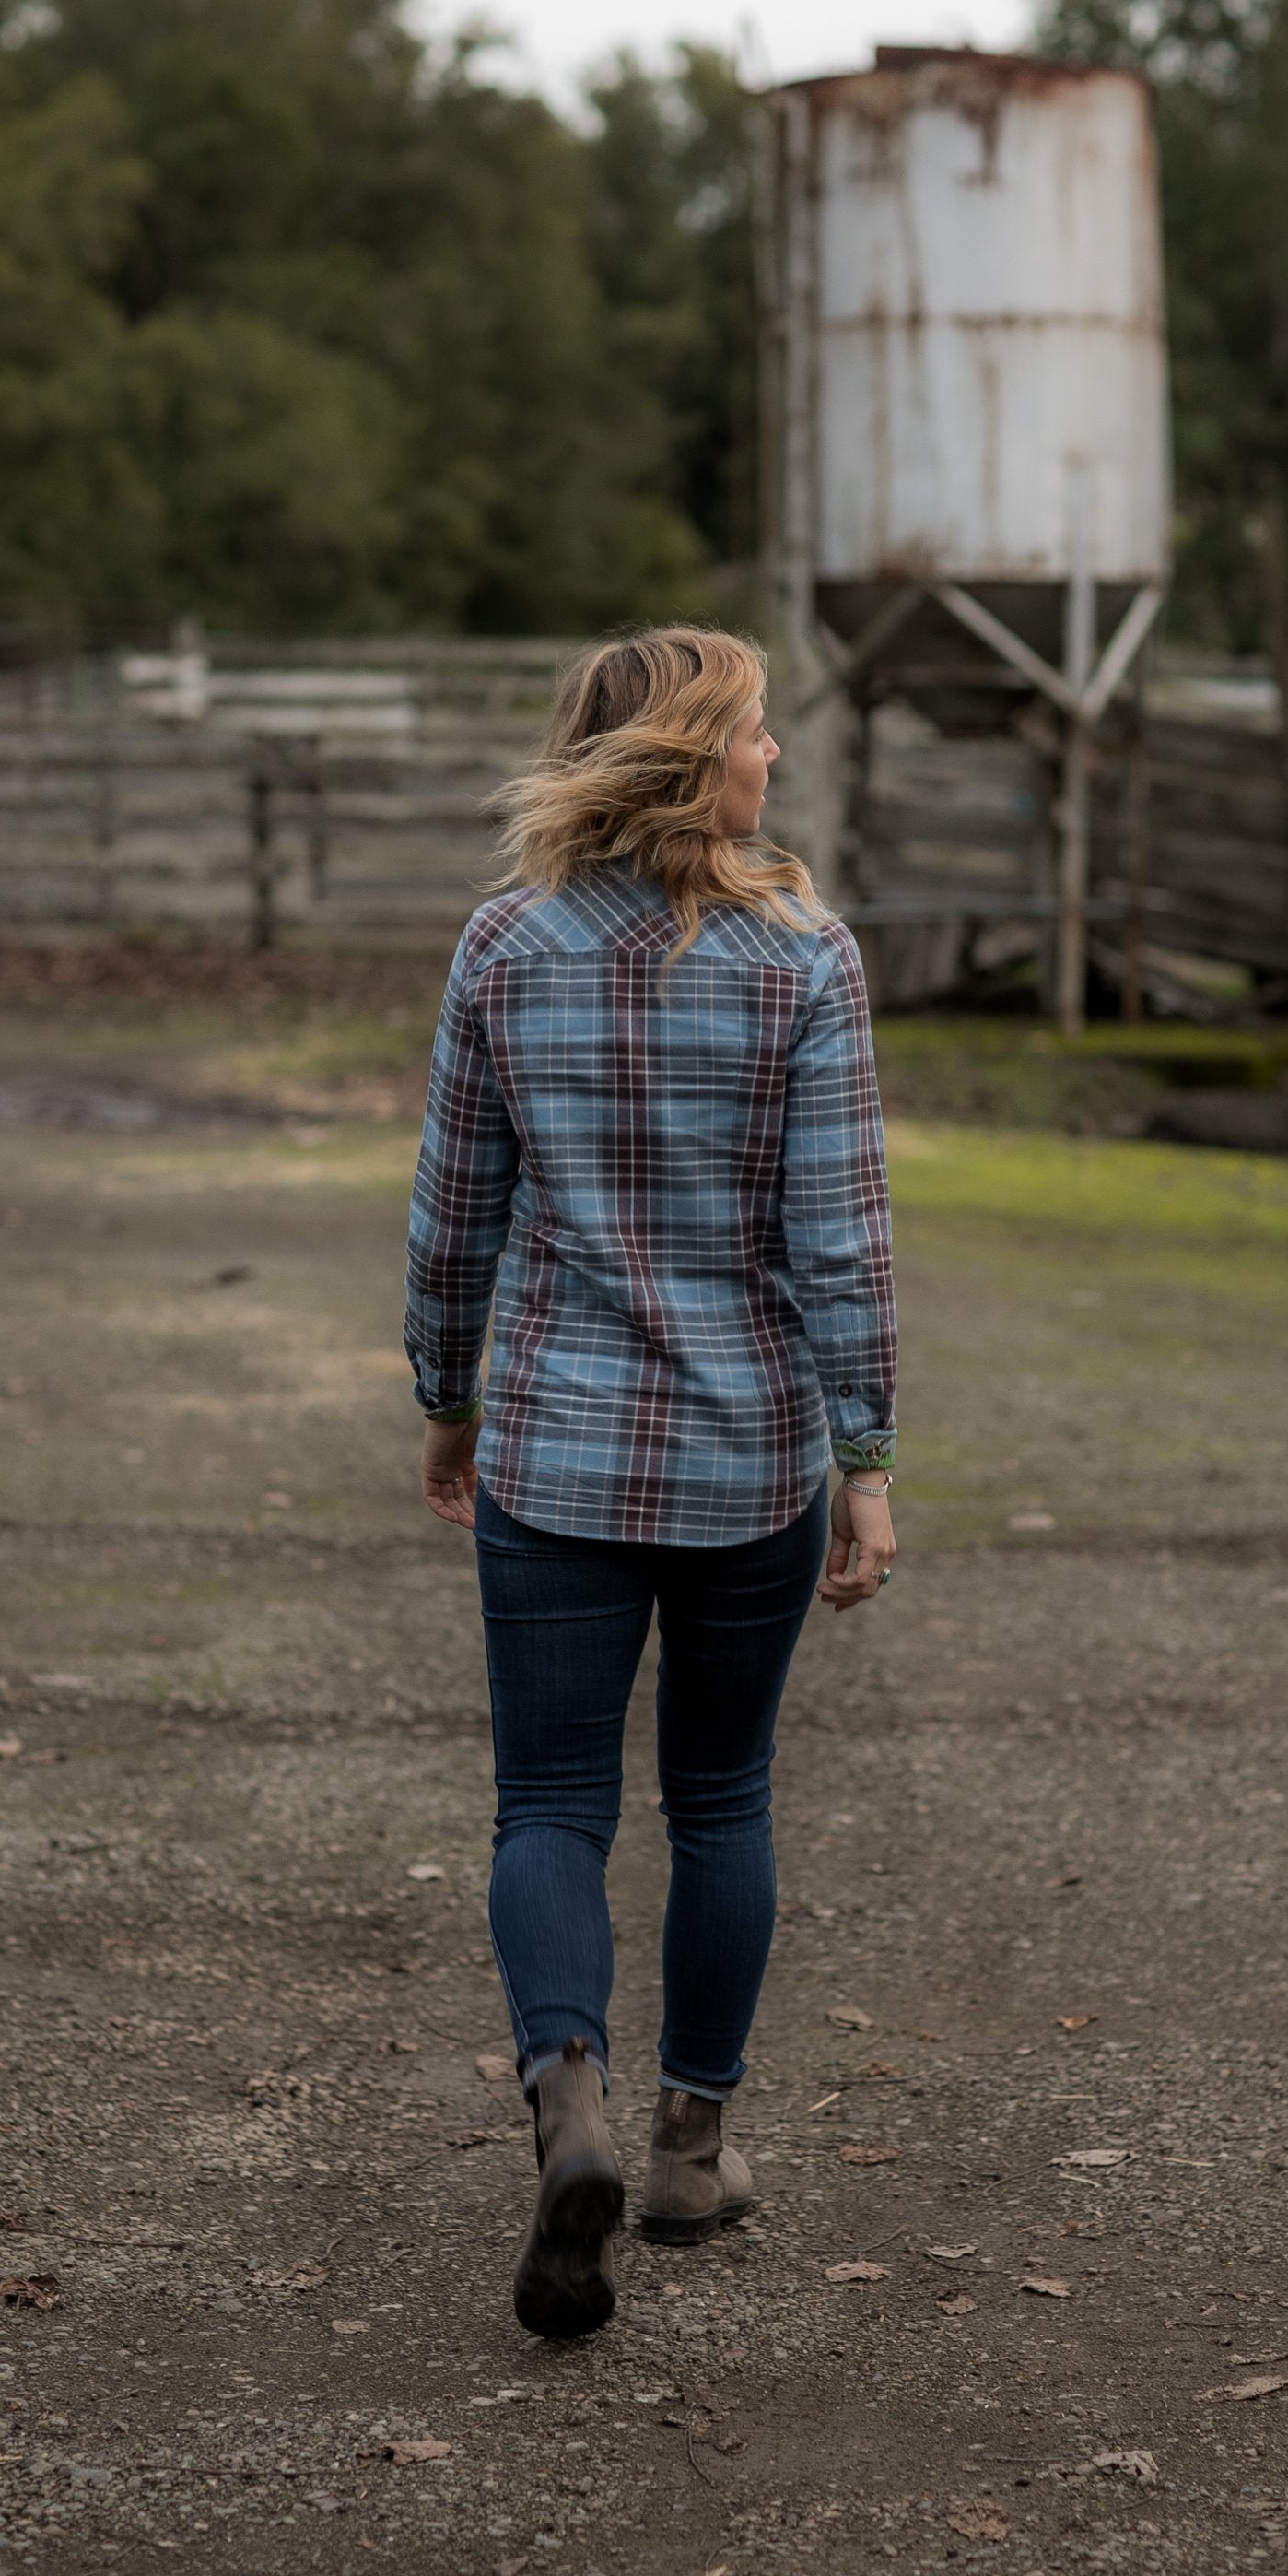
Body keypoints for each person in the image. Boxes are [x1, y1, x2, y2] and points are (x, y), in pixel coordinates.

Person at [404, 626, 897, 2339]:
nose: (776, 761)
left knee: (548, 1803)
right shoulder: (805, 963)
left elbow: (452, 1211)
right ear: (696, 758)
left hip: (552, 1446)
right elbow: (839, 1241)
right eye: (757, 735)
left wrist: (446, 1396)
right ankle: (688, 2150)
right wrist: (872, 1461)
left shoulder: (504, 949)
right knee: (721, 1799)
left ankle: (569, 2105)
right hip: (749, 1457)